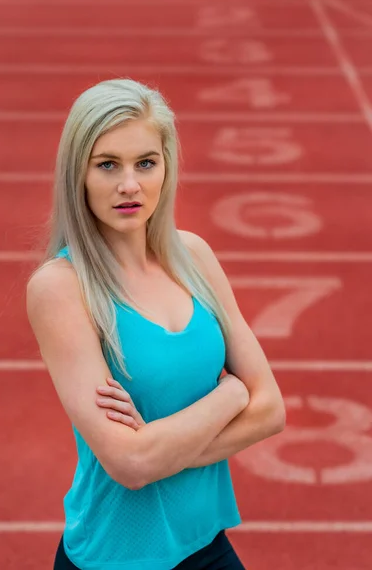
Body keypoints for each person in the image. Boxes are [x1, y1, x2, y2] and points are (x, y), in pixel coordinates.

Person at [26, 78, 285, 570]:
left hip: (205, 542)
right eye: (107, 165)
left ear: (166, 166)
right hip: (116, 555)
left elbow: (271, 409)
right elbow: (130, 464)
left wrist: (157, 452)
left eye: (146, 162)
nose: (130, 185)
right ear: (77, 175)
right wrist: (230, 396)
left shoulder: (194, 257)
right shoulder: (61, 287)